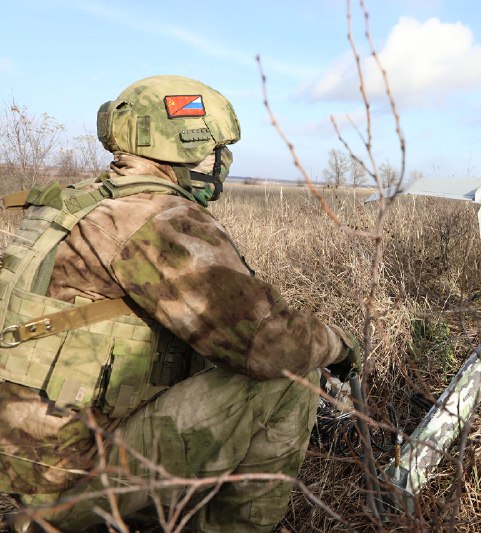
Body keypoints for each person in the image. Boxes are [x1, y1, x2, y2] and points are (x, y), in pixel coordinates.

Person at [0, 75, 359, 532]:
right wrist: (342, 347)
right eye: (213, 149)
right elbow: (271, 344)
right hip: (73, 482)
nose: (222, 161)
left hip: (30, 464)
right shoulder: (154, 217)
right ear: (178, 148)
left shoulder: (74, 204)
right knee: (291, 379)